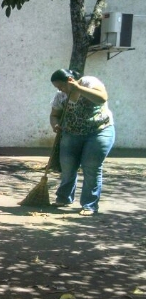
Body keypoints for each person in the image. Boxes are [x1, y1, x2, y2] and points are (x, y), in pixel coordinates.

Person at [49, 69, 115, 216]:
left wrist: (78, 89)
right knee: (67, 166)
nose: (60, 89)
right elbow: (54, 115)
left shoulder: (89, 82)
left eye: (61, 86)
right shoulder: (60, 96)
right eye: (57, 87)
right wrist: (55, 124)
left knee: (91, 167)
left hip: (99, 131)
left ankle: (89, 205)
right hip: (71, 133)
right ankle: (64, 198)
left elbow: (102, 98)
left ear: (70, 80)